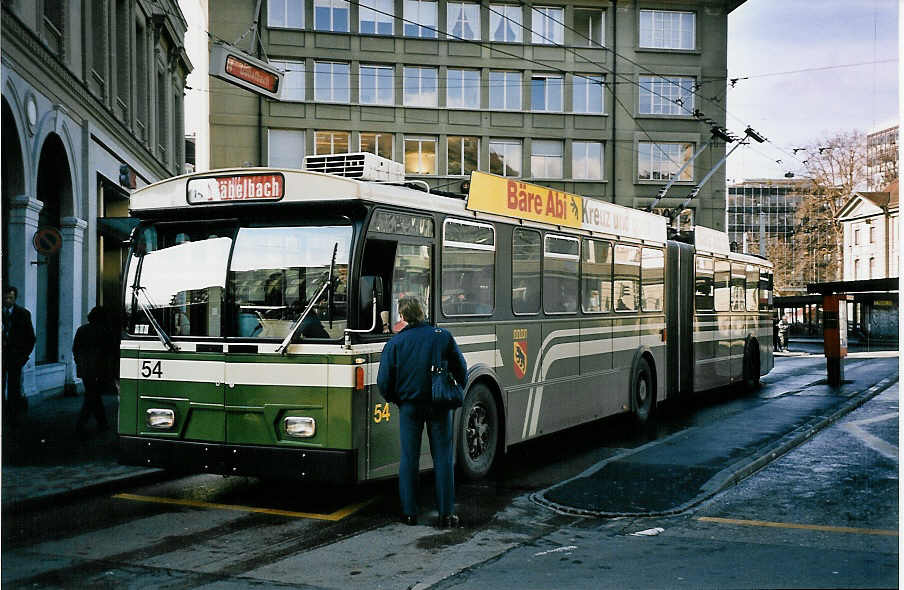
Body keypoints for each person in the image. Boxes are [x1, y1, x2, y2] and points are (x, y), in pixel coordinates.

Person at [377, 297, 467, 528]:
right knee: (443, 459)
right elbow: (461, 370)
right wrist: (454, 388)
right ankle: (446, 514)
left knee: (409, 459)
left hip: (409, 407)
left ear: (403, 317)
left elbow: (384, 381)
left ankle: (409, 513)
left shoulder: (396, 343)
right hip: (439, 405)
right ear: (422, 312)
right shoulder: (442, 336)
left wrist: (397, 399)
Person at [73, 306, 117, 435]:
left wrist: (79, 363)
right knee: (92, 396)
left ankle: (102, 423)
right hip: (99, 369)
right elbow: (110, 352)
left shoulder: (82, 330)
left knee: (93, 395)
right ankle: (82, 424)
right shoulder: (106, 331)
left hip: (85, 369)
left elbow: (75, 348)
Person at [2, 286, 35, 426]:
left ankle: (12, 415)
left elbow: (30, 338)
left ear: (15, 298)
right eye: (5, 298)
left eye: (10, 298)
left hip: (15, 357)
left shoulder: (23, 314)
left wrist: (23, 357)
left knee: (14, 387)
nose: (7, 300)